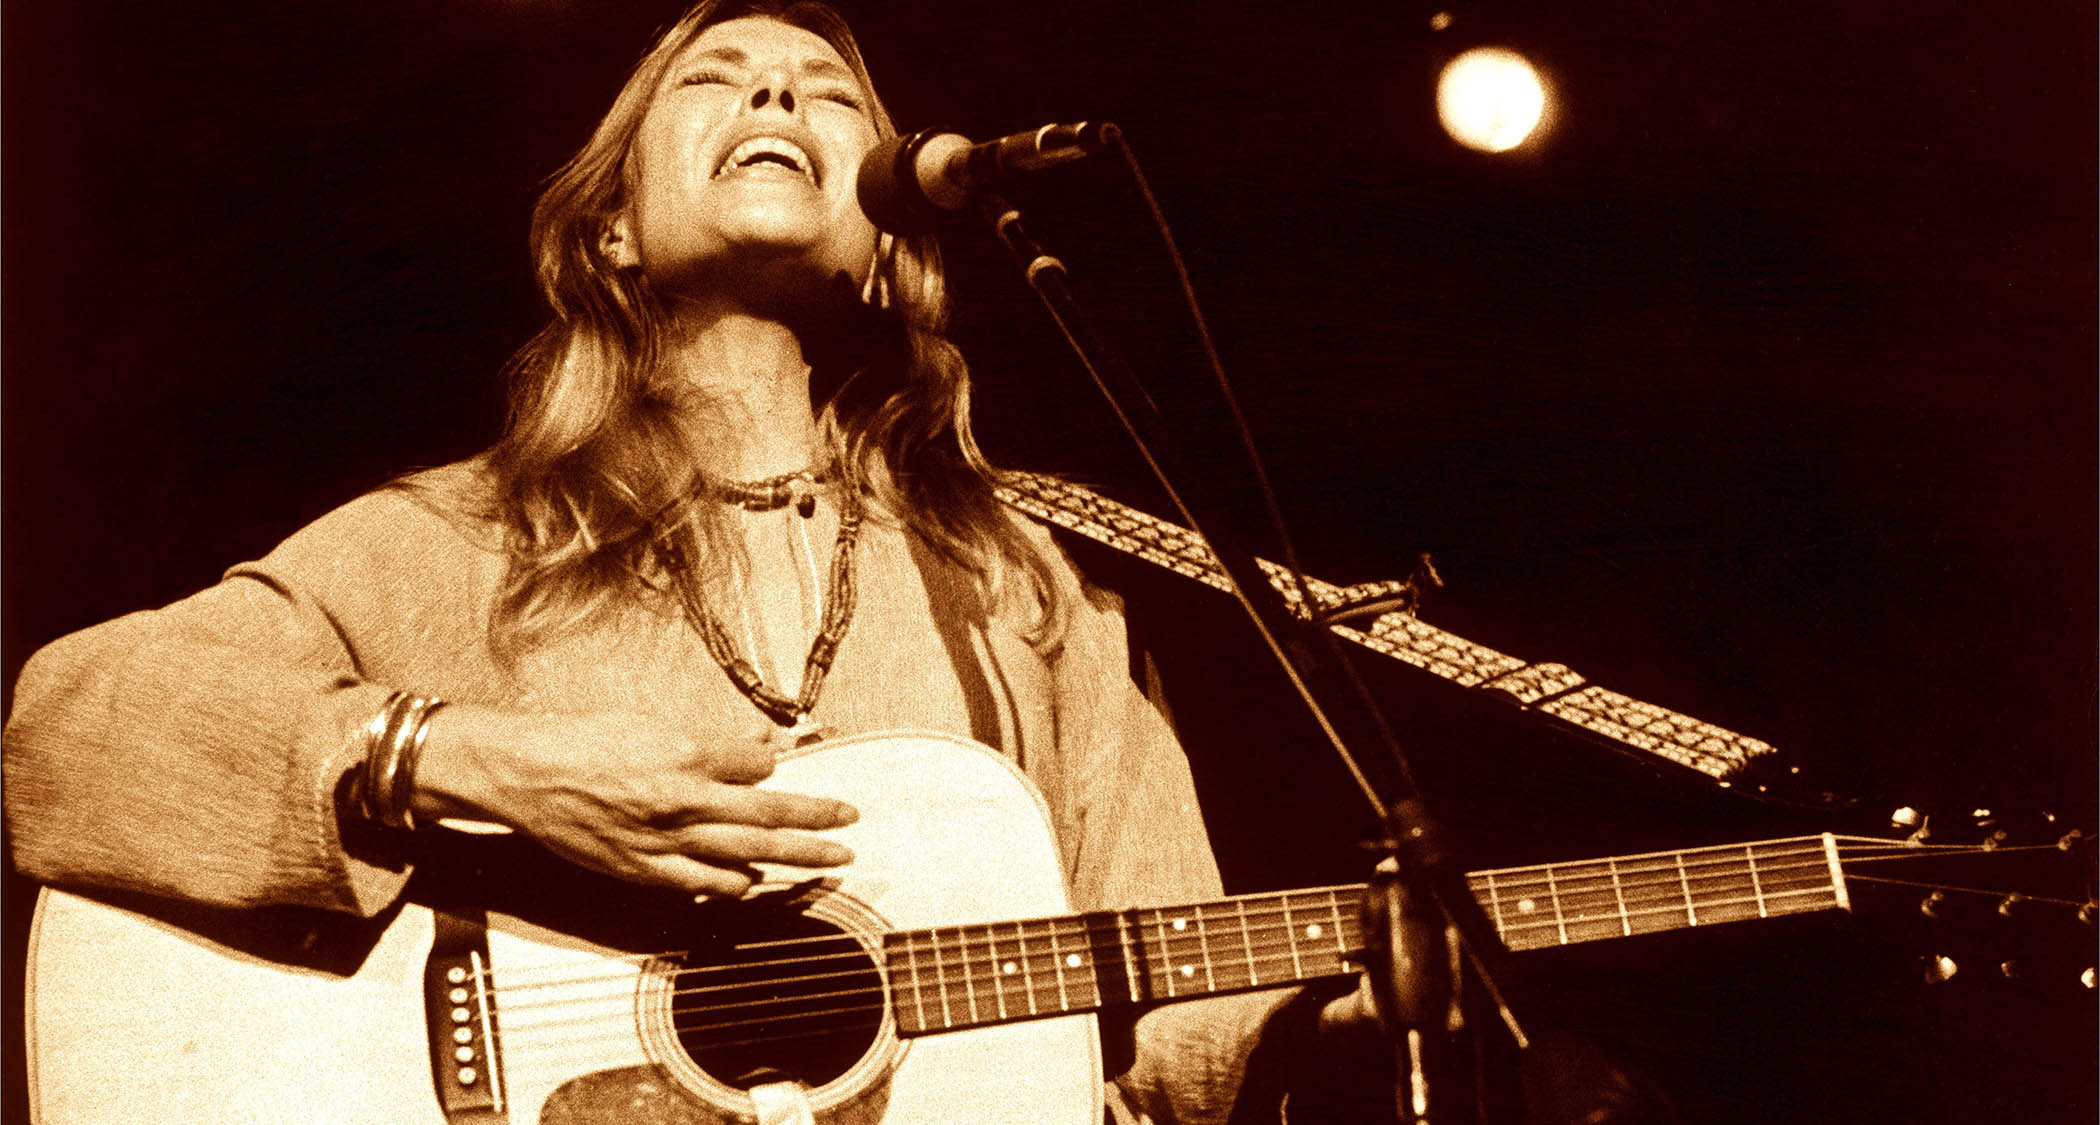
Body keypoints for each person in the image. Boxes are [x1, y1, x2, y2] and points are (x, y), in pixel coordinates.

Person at [4, 2, 1378, 1121]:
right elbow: (65, 733)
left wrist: (1341, 1007)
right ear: (611, 227)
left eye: (830, 95)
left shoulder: (1024, 595)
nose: (778, 100)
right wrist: (462, 758)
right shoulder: (465, 537)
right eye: (715, 82)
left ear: (889, 241)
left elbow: (1168, 989)